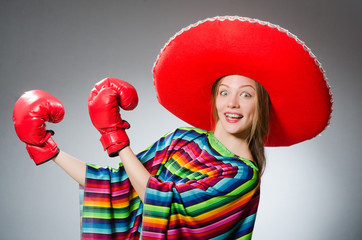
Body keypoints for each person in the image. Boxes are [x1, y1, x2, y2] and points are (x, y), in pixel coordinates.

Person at [13, 16, 333, 240]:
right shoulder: (182, 140)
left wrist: (116, 138)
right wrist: (47, 149)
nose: (233, 103)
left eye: (245, 94)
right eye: (225, 92)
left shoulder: (241, 176)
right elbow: (116, 186)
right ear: (214, 99)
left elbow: (162, 204)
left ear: (259, 105)